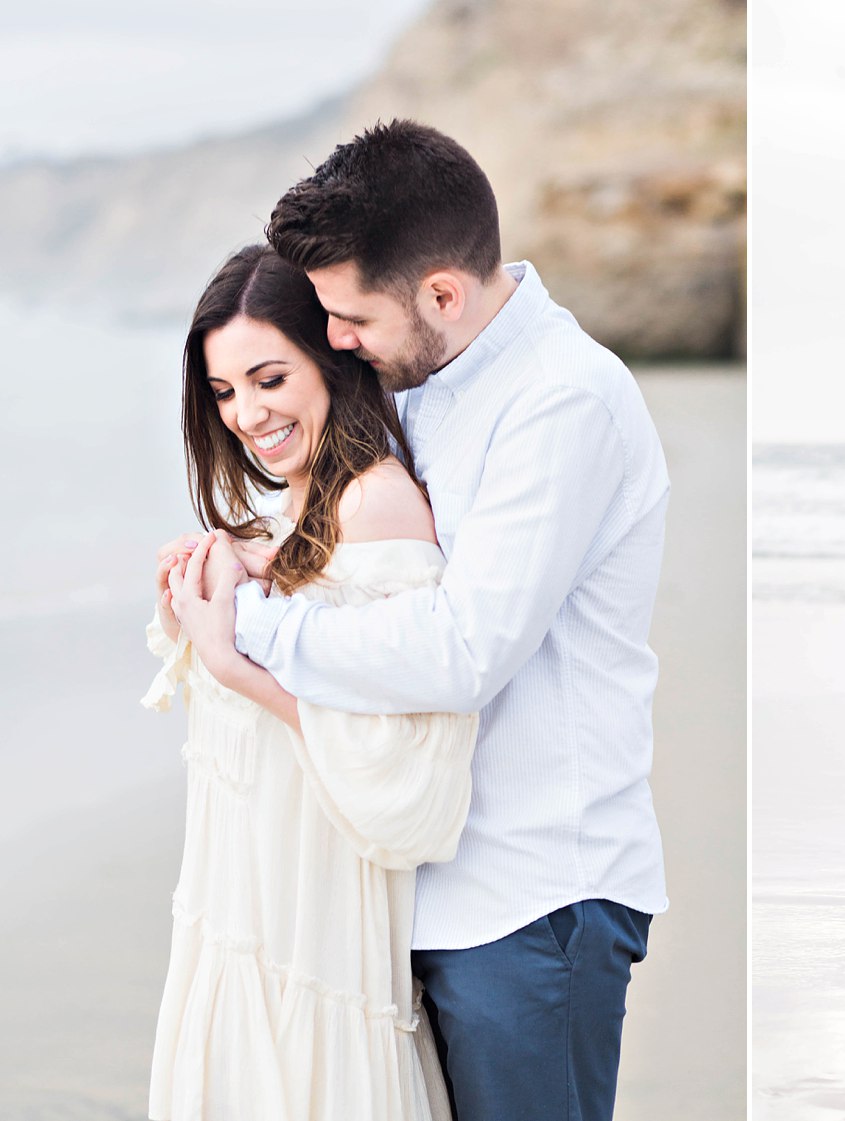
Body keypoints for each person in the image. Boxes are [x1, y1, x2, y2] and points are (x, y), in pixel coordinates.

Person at [168, 119, 670, 1121]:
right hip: (413, 881)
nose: (338, 341)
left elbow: (460, 650)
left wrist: (252, 626)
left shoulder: (561, 402)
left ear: (442, 293)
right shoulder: (428, 385)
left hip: (530, 895)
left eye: (350, 317)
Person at [145, 244, 478, 1119]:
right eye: (223, 393)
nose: (247, 415)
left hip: (317, 934)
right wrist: (201, 607)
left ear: (331, 358)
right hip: (243, 914)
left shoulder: (377, 503)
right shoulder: (283, 516)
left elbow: (409, 771)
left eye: (268, 378)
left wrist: (231, 665)